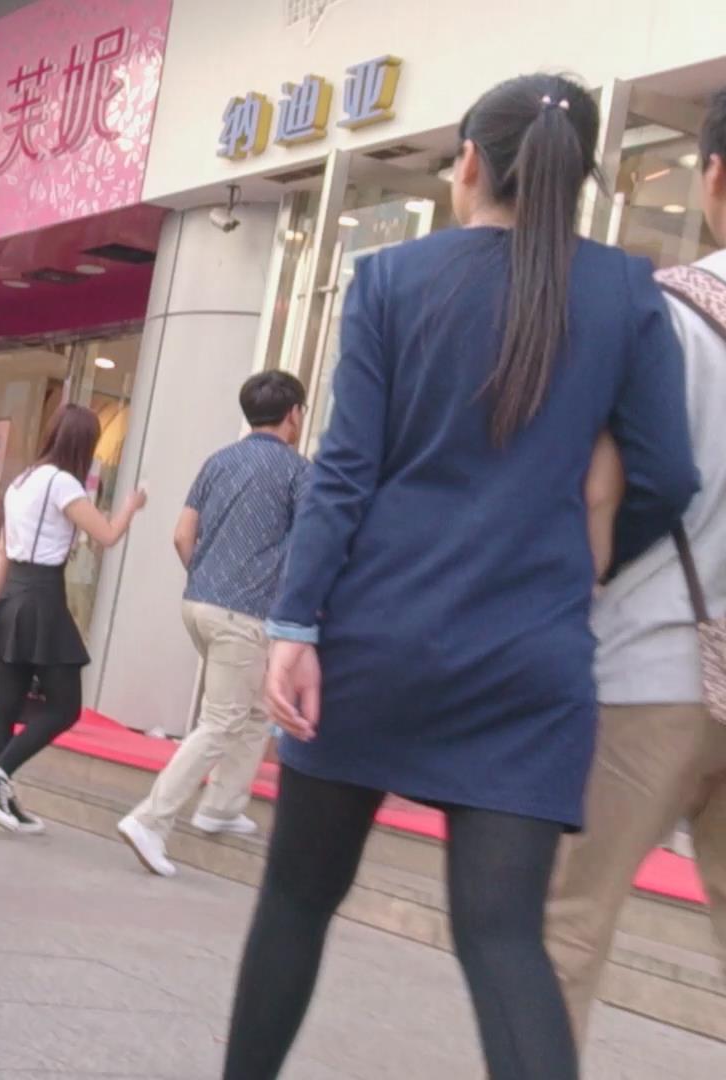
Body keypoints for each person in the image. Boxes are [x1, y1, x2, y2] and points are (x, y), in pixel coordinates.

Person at [227, 75, 698, 1080]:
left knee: (298, 900)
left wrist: (296, 624)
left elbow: (345, 471)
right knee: (503, 940)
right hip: (529, 657)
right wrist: (586, 564)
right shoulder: (625, 291)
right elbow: (666, 474)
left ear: (471, 163)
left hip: (372, 640)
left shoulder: (394, 281)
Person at [546, 87, 726, 1053]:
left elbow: (604, 489)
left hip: (646, 669)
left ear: (713, 179)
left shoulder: (665, 313)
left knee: (567, 928)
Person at [118, 372, 310, 877]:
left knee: (253, 708)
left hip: (200, 603)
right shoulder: (298, 472)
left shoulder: (218, 460)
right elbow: (309, 549)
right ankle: (150, 820)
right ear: (293, 414)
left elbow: (182, 535)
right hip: (244, 614)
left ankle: (221, 806)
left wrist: (207, 580)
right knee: (223, 720)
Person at [0, 405, 145, 832]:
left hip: (12, 595)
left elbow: (3, 550)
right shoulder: (62, 483)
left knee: (6, 705)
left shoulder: (21, 481)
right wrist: (131, 506)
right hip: (42, 596)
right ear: (83, 443)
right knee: (65, 707)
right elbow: (107, 535)